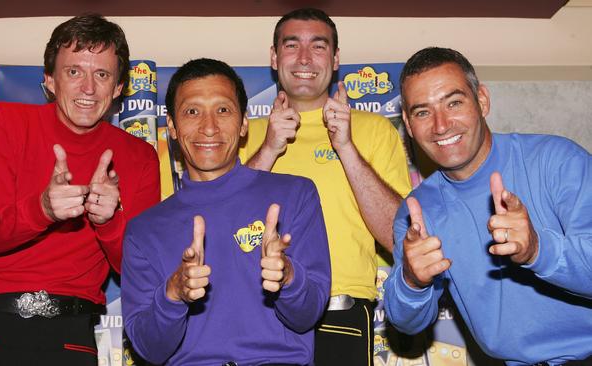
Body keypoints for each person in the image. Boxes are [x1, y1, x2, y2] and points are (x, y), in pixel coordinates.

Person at [0, 14, 160, 366]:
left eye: (102, 75)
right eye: (74, 71)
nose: (88, 88)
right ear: (49, 81)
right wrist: (41, 209)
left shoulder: (139, 157)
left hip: (70, 334)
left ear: (119, 87)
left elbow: (140, 271)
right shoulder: (1, 122)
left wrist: (109, 221)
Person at [384, 47, 592, 365]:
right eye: (422, 112)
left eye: (453, 103)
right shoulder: (417, 212)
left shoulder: (556, 160)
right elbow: (408, 323)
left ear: (482, 101)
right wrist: (412, 282)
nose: (440, 125)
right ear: (410, 127)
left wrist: (538, 250)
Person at [122, 58, 331, 365]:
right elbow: (149, 349)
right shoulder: (144, 230)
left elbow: (307, 315)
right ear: (173, 128)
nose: (209, 127)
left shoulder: (295, 195)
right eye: (192, 111)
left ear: (244, 122)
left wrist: (288, 277)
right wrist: (172, 294)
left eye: (223, 110)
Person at [240, 8, 411, 365]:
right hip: (257, 311)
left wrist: (345, 147)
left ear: (335, 60)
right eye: (292, 45)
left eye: (318, 47)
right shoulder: (244, 134)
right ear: (274, 57)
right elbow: (224, 227)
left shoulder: (374, 130)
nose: (304, 58)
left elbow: (399, 238)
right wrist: (269, 148)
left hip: (339, 315)